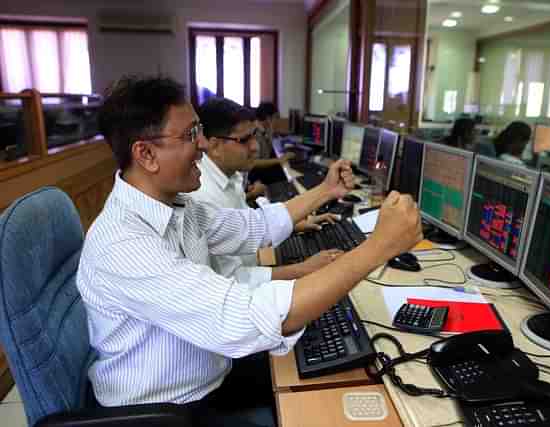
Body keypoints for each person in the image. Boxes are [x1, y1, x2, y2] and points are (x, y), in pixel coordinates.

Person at [77, 75, 422, 427]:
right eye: (189, 135)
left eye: (198, 129)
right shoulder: (123, 244)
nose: (202, 145)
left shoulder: (177, 207)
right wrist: (378, 247)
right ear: (146, 154)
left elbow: (250, 228)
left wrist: (324, 190)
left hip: (208, 373)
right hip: (166, 413)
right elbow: (245, 318)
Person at [192, 96, 342, 286]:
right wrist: (302, 269)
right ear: (214, 146)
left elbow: (246, 225)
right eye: (245, 140)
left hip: (255, 266)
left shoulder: (230, 174)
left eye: (254, 135)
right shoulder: (203, 196)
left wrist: (293, 223)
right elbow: (232, 280)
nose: (255, 147)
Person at [247, 101, 294, 189]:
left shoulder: (265, 129)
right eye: (276, 117)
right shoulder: (254, 133)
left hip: (262, 167)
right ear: (268, 118)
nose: (278, 120)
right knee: (283, 174)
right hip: (255, 172)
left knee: (284, 170)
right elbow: (253, 162)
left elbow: (270, 139)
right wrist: (279, 160)